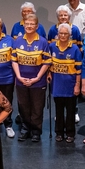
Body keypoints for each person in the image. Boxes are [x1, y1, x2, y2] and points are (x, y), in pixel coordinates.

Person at [12, 13, 51, 142]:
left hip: (37, 82)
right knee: (23, 106)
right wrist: (18, 76)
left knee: (37, 107)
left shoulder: (42, 42)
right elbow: (14, 61)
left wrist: (37, 78)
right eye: (26, 24)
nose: (29, 26)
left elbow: (46, 62)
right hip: (21, 80)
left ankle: (36, 131)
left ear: (37, 26)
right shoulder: (18, 41)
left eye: (32, 24)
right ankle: (25, 130)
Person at [48, 23, 82, 143]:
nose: (62, 35)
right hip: (57, 85)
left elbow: (78, 70)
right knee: (59, 111)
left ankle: (70, 133)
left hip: (70, 86)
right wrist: (48, 74)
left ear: (70, 35)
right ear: (57, 34)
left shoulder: (75, 49)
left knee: (71, 111)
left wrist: (77, 85)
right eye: (61, 33)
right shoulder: (52, 47)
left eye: (65, 33)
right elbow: (48, 64)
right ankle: (59, 132)